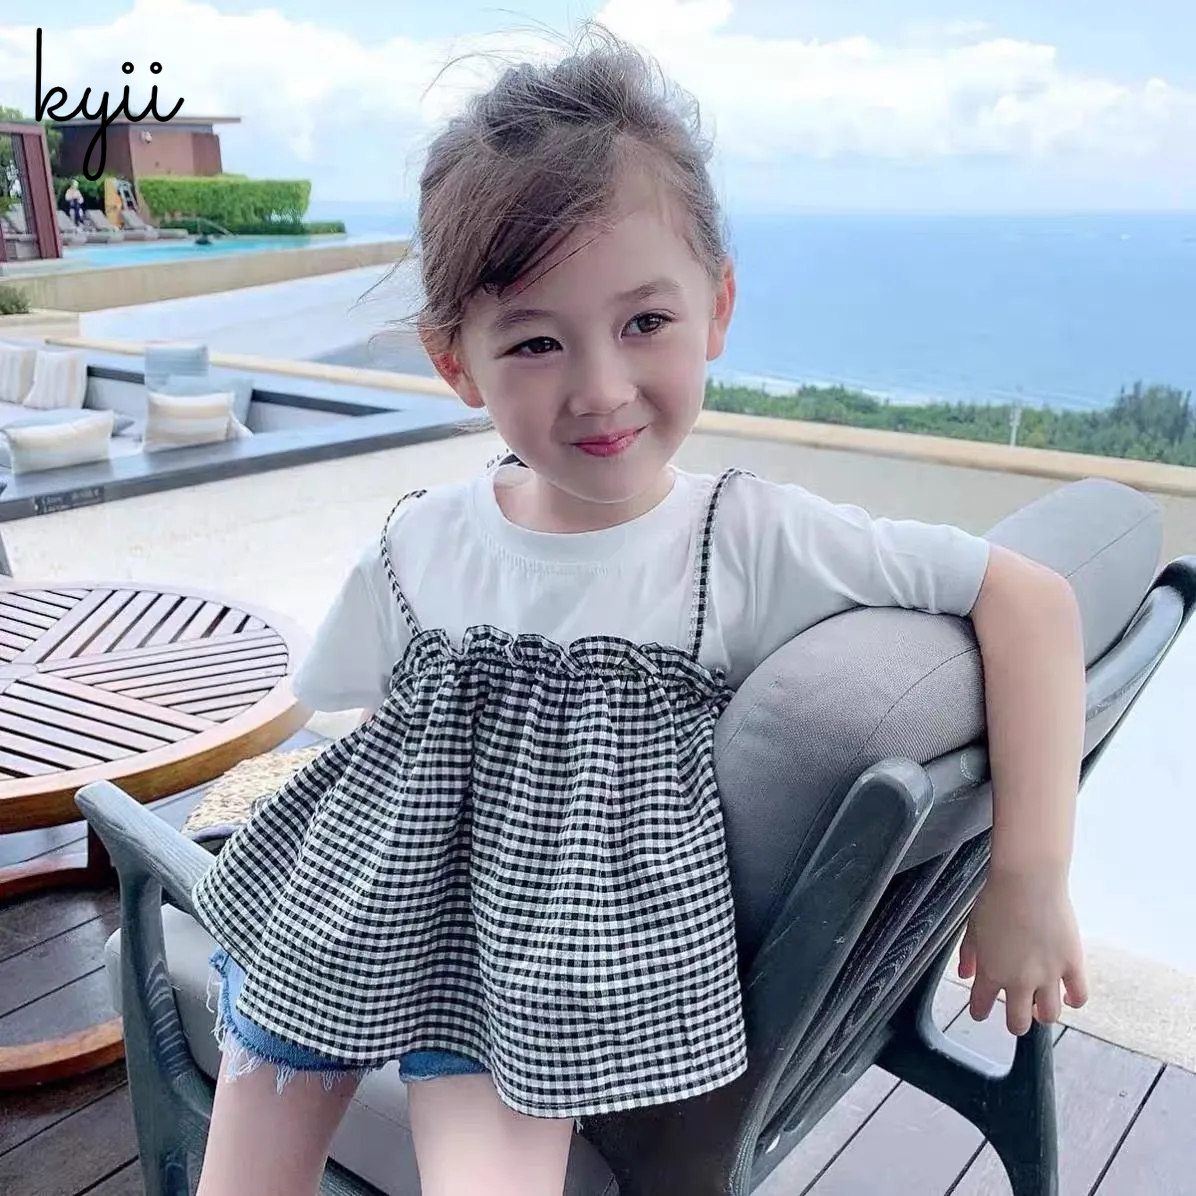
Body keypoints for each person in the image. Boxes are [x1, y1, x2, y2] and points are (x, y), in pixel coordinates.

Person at [189, 28, 1089, 1196]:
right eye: (534, 341)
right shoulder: (419, 539)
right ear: (454, 363)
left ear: (716, 308)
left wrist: (1027, 874)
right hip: (343, 921)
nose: (601, 387)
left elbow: (1028, 599)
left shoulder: (744, 539)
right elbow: (353, 738)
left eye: (643, 323)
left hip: (524, 1002)